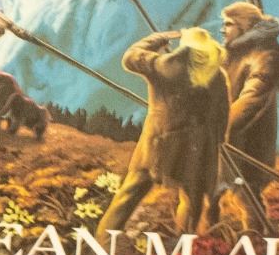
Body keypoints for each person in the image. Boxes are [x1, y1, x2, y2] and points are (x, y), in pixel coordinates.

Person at [96, 27, 230, 235]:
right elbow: (222, 115)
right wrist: (214, 144)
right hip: (197, 148)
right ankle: (181, 245)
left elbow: (130, 57)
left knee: (129, 194)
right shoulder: (218, 76)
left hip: (158, 143)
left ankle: (103, 240)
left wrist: (159, 39)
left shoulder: (164, 65)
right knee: (191, 201)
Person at [220, 1, 279, 233]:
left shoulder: (267, 54)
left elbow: (253, 95)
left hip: (248, 135)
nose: (223, 29)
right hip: (226, 133)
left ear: (245, 26)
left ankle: (257, 236)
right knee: (213, 190)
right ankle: (210, 240)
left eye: (229, 24)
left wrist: (223, 126)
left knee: (245, 191)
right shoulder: (231, 52)